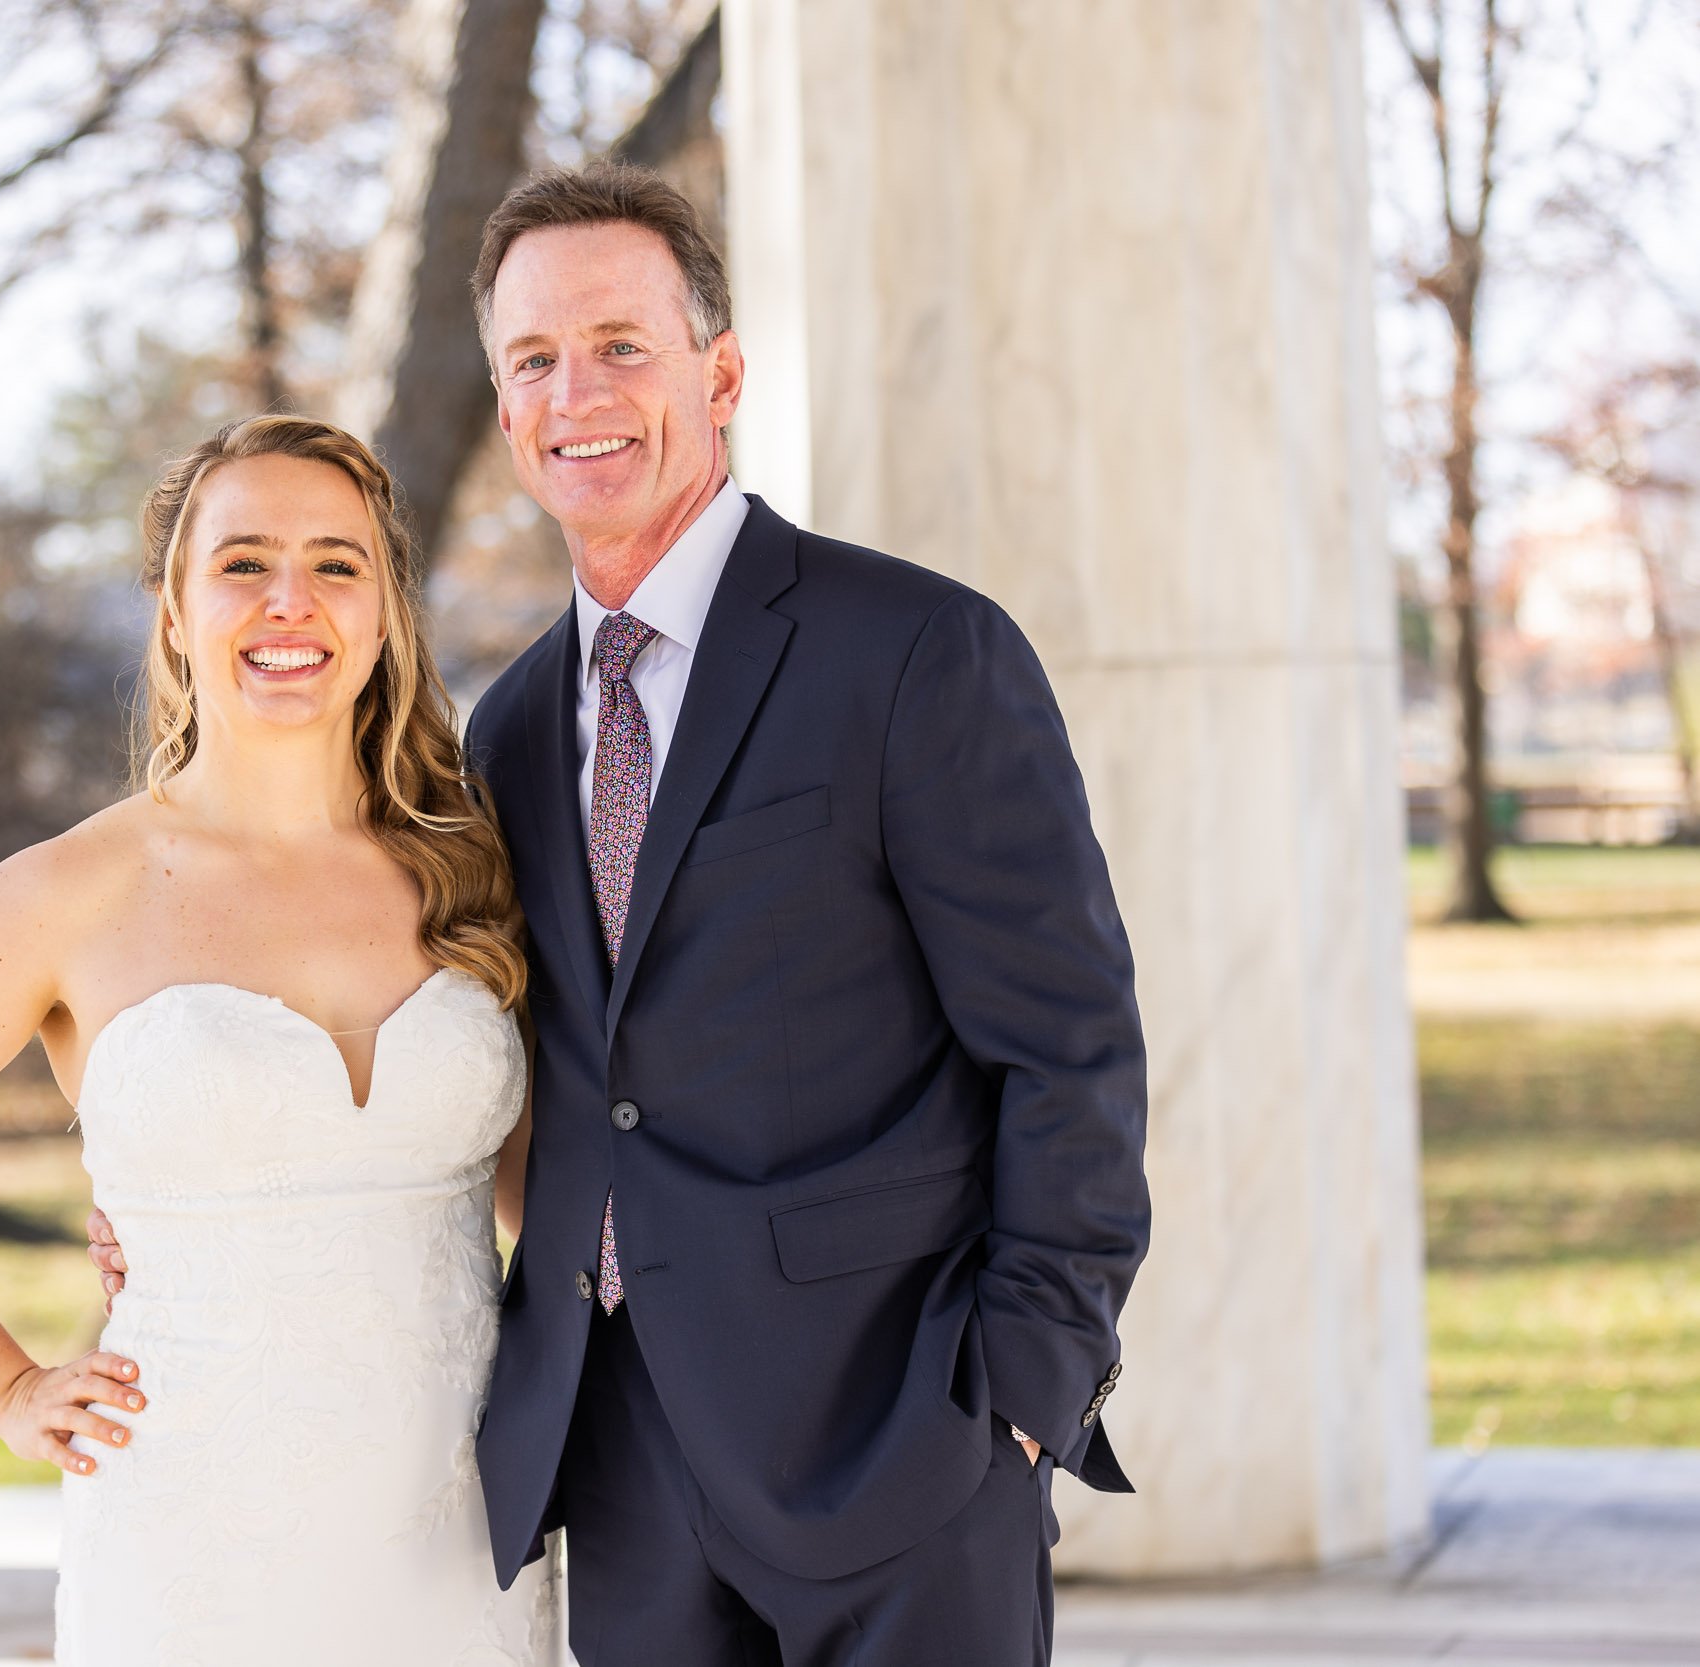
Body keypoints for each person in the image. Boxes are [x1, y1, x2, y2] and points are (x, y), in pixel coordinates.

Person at [92, 163, 1151, 1666]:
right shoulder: (509, 734)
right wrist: (190, 1178)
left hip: (903, 1449)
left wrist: (1024, 1401)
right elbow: (485, 1051)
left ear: (719, 374)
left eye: (619, 345)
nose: (573, 390)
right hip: (623, 1477)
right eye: (533, 359)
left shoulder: (917, 652)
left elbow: (1072, 1052)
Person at [0, 415, 560, 1666]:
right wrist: (7, 1389)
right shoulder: (66, 892)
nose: (289, 600)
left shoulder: (470, 864)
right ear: (175, 610)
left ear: (385, 611)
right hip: (194, 1535)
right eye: (244, 562)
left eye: (336, 563)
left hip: (464, 1523)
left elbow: (541, 1182)